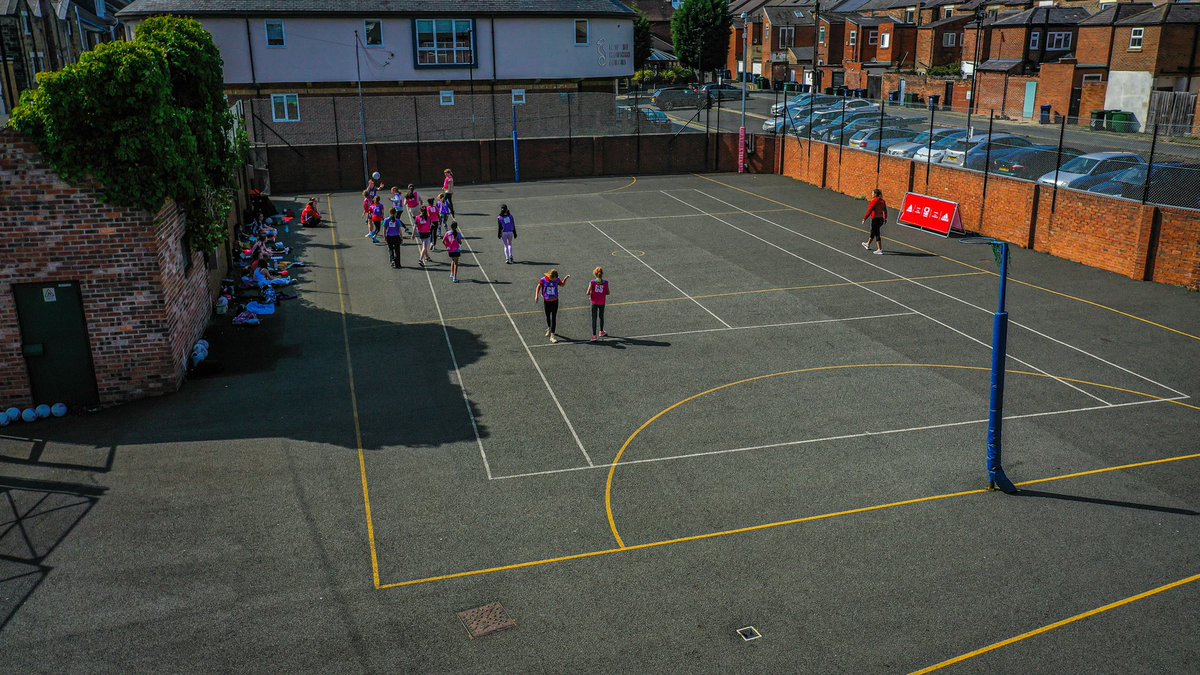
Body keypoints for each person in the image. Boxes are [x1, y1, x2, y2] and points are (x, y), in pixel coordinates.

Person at [534, 269, 570, 343]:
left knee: (554, 317)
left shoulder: (557, 279)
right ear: (550, 276)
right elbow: (538, 286)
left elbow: (562, 284)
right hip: (547, 301)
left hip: (555, 301)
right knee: (548, 316)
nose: (554, 280)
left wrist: (565, 279)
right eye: (553, 279)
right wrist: (536, 295)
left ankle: (552, 336)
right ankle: (549, 328)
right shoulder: (543, 280)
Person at [861, 189, 888, 255]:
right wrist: (885, 218)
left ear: (875, 194)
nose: (871, 194)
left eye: (872, 193)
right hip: (880, 219)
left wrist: (864, 218)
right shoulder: (883, 201)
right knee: (873, 231)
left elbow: (869, 210)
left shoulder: (874, 201)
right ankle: (867, 244)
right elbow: (885, 210)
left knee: (877, 233)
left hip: (875, 219)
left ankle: (879, 249)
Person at [586, 267, 609, 341]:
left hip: (594, 302)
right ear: (602, 274)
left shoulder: (592, 282)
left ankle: (594, 336)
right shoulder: (605, 282)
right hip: (602, 302)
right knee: (601, 316)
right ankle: (601, 331)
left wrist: (592, 293)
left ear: (595, 274)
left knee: (594, 318)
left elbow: (587, 293)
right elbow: (608, 292)